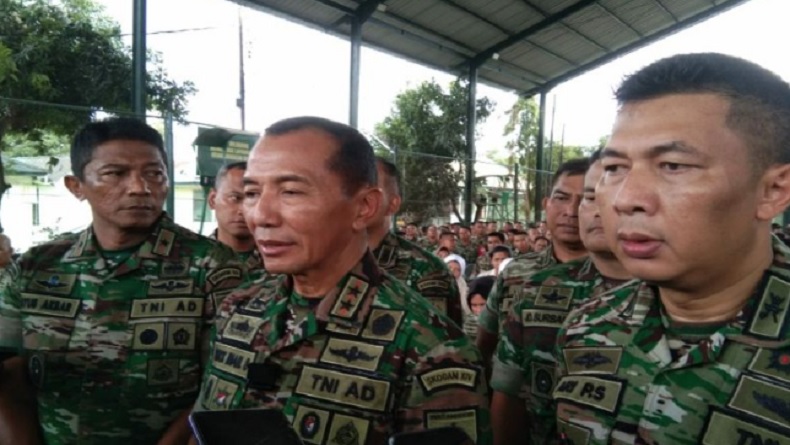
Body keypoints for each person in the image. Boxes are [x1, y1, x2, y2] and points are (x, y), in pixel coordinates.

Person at [195, 117, 490, 444]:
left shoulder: (429, 347)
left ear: (364, 207)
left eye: (291, 192)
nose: (261, 215)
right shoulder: (239, 307)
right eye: (251, 192)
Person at [553, 53, 790, 444]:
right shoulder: (586, 328)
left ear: (773, 190)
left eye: (673, 165)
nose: (625, 199)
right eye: (614, 168)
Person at [0, 117, 245, 445]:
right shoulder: (35, 267)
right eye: (115, 173)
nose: (139, 187)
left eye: (154, 173)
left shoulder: (213, 268)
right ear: (77, 186)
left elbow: (220, 389)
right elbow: (10, 379)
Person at [490, 150, 632, 445]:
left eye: (593, 197)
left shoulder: (667, 290)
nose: (577, 210)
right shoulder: (534, 286)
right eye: (588, 198)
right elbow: (505, 389)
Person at [476, 158, 589, 367]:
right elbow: (484, 345)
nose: (571, 211)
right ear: (546, 204)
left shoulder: (624, 277)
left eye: (586, 200)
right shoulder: (515, 272)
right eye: (562, 198)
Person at [368, 158, 464, 326]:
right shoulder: (320, 260)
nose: (355, 194)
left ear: (393, 204)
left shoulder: (426, 270)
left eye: (370, 185)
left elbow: (441, 345)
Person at [208, 161, 266, 279]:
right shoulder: (192, 257)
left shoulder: (281, 260)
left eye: (253, 197)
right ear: (213, 200)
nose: (243, 210)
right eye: (234, 198)